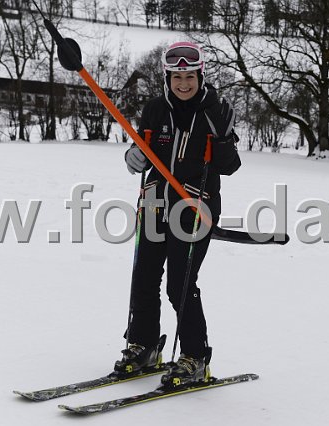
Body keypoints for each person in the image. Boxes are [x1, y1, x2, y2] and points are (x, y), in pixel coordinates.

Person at [114, 41, 241, 387]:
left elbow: (230, 166)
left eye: (189, 77)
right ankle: (143, 346)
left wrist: (224, 139)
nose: (183, 84)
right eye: (176, 77)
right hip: (154, 203)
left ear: (200, 76)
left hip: (194, 208)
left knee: (179, 285)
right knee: (143, 278)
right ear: (167, 79)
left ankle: (195, 357)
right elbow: (142, 148)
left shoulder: (215, 111)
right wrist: (133, 156)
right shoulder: (155, 109)